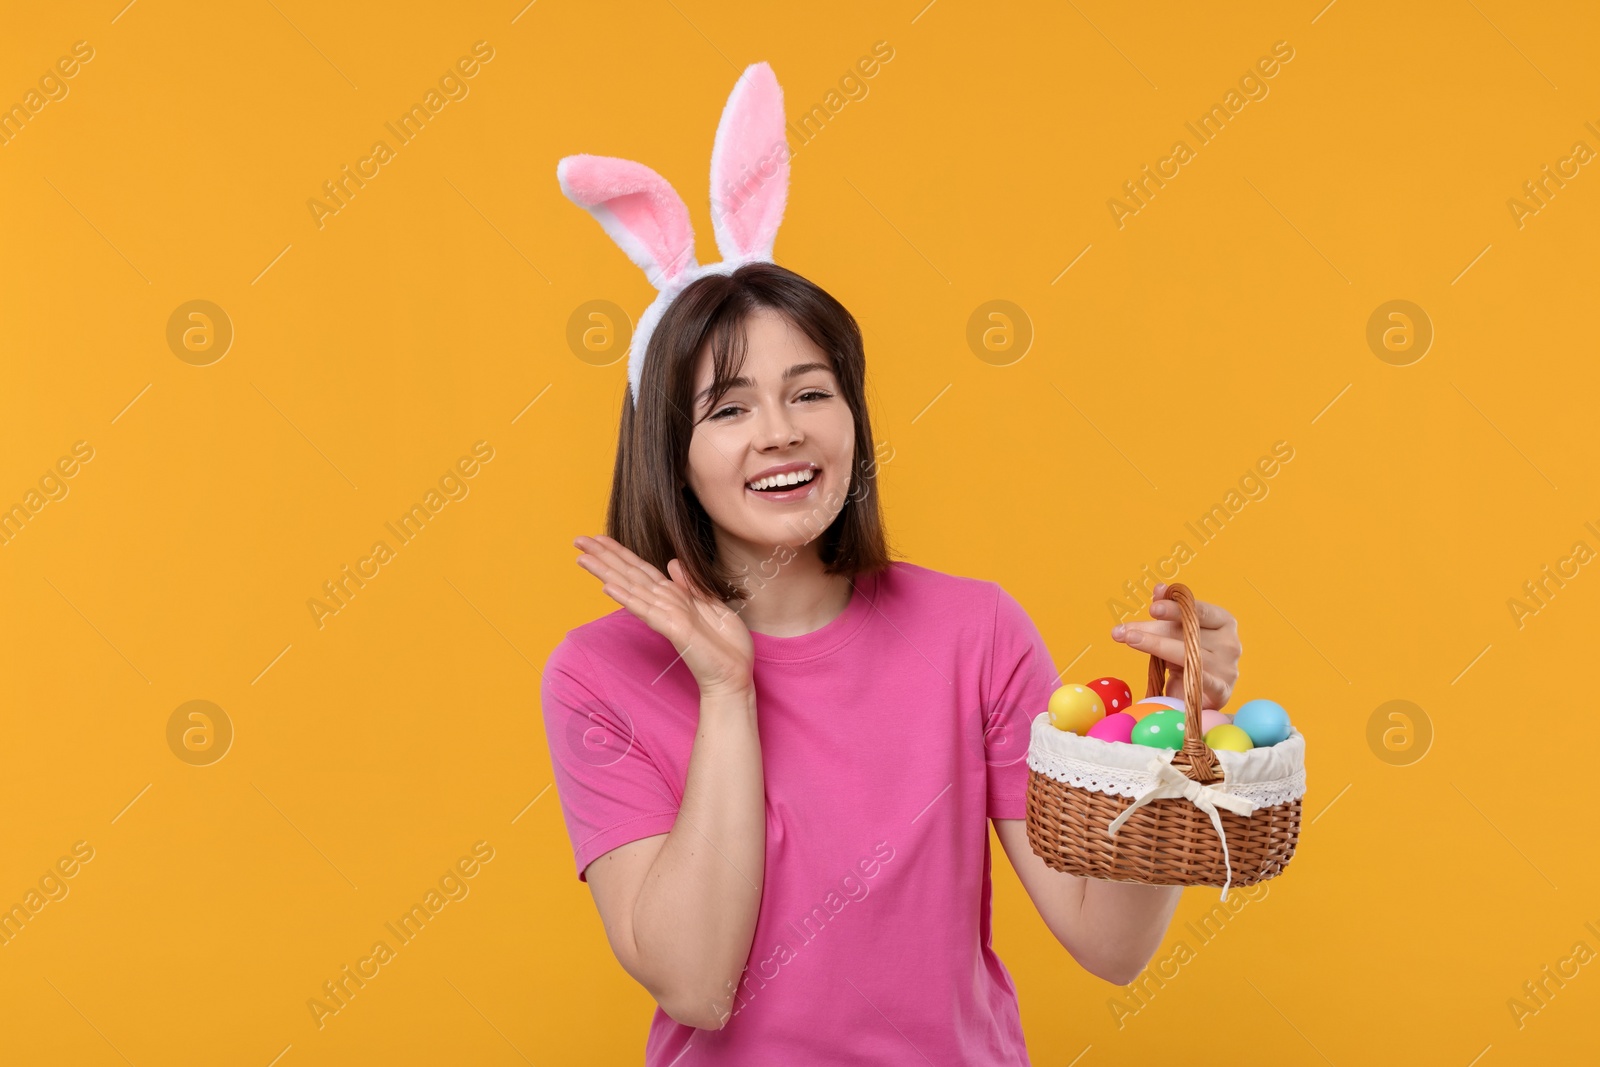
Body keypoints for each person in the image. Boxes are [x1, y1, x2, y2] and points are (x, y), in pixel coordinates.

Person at [542, 63, 1242, 1064]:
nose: (780, 434)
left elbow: (1105, 940)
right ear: (669, 451)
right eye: (729, 408)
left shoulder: (974, 632)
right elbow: (695, 982)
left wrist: (1176, 739)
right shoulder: (598, 673)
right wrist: (727, 688)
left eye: (811, 392)